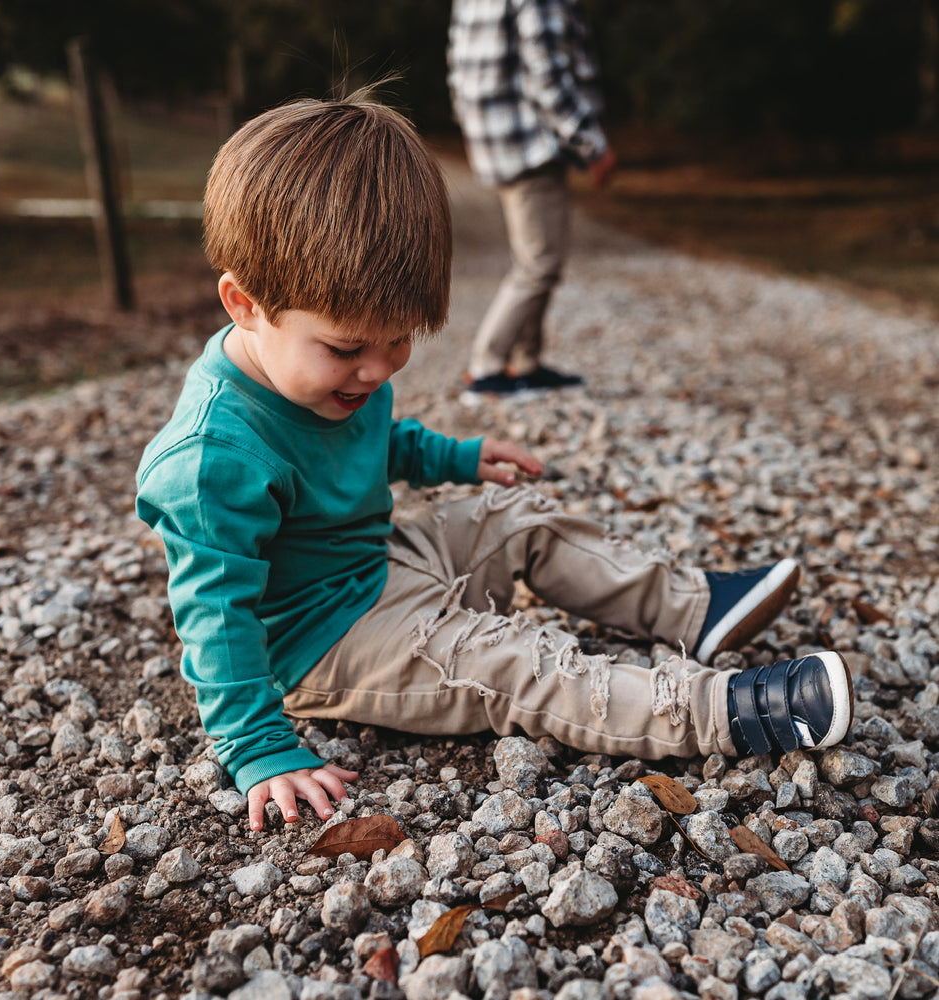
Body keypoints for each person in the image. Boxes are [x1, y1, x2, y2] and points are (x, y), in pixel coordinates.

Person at [136, 91, 854, 833]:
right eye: (350, 348)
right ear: (245, 304)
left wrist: (459, 457)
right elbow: (214, 620)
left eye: (401, 341)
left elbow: (375, 437)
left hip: (378, 562)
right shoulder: (211, 458)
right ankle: (731, 712)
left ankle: (692, 609)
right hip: (326, 644)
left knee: (518, 516)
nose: (378, 371)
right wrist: (259, 749)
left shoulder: (330, 373)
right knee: (512, 659)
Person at [448, 0, 619, 398]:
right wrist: (592, 143)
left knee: (532, 257)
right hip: (530, 142)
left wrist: (472, 126)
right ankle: (486, 366)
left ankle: (525, 362)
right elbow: (548, 78)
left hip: (497, 139)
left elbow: (456, 65)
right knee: (540, 264)